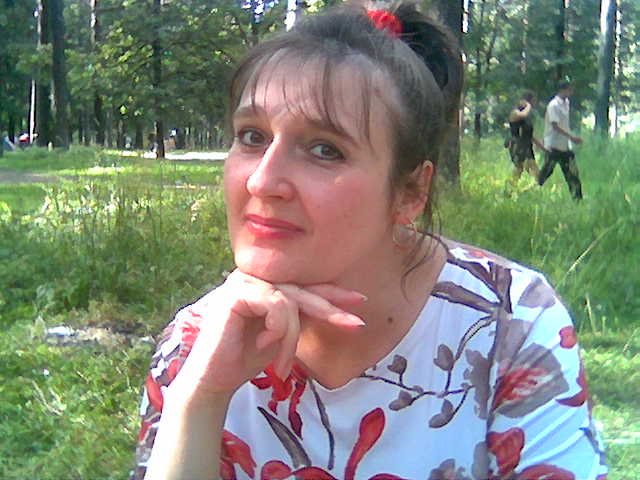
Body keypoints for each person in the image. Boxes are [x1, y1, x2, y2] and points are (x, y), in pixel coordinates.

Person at [132, 3, 607, 479]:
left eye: (324, 150)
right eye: (252, 136)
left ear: (410, 192)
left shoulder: (510, 325)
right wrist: (198, 400)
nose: (262, 181)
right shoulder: (196, 345)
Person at [539, 81, 583, 200]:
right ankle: (533, 189)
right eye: (569, 90)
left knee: (572, 173)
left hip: (565, 145)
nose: (571, 92)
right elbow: (555, 126)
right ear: (562, 90)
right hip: (553, 145)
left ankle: (578, 199)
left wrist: (569, 138)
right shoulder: (553, 105)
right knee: (547, 171)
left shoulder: (566, 103)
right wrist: (572, 137)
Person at [506, 90, 545, 182]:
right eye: (533, 101)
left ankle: (511, 188)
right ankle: (538, 185)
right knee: (524, 168)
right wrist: (528, 106)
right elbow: (523, 115)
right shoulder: (515, 112)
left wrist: (542, 146)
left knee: (522, 169)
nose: (534, 103)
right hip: (517, 145)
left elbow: (529, 135)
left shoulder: (527, 118)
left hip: (527, 146)